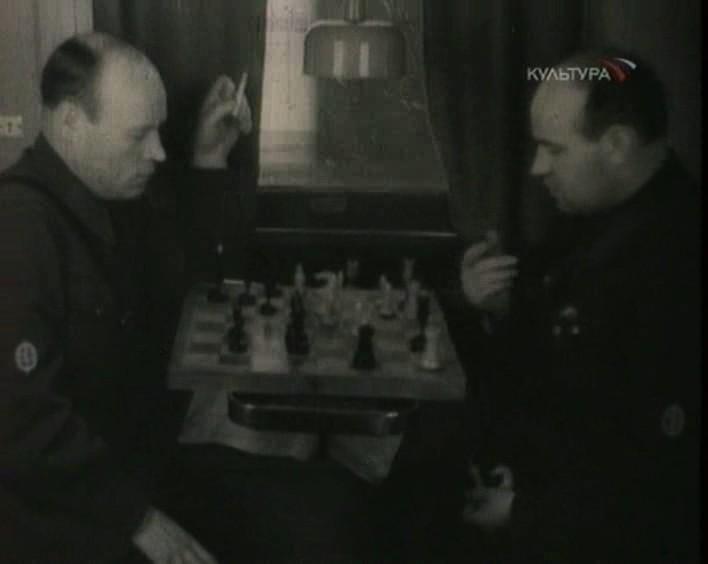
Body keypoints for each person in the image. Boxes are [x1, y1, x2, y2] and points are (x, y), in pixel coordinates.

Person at [0, 32, 253, 563]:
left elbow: (193, 287)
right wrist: (140, 520)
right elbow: (22, 424)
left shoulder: (116, 194)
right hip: (60, 521)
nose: (157, 152)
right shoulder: (18, 227)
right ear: (72, 123)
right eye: (139, 134)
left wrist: (209, 159)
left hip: (132, 478)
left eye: (159, 131)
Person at [459, 50, 700, 562]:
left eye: (554, 149)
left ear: (616, 145)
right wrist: (495, 307)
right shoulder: (592, 214)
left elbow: (661, 479)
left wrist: (523, 514)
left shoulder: (678, 261)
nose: (537, 168)